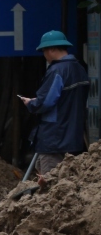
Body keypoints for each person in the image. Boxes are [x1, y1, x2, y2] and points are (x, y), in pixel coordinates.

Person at [19, 30, 89, 177]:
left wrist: (31, 103)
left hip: (54, 138)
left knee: (50, 181)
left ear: (51, 49)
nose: (44, 55)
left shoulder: (57, 70)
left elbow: (45, 102)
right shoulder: (80, 68)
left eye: (44, 51)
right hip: (74, 136)